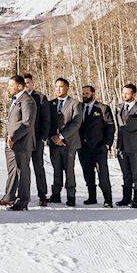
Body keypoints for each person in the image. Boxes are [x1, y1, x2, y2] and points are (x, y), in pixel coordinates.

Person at [1, 75, 36, 211]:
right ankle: (9, 197)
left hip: (22, 143)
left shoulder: (27, 101)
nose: (9, 88)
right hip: (11, 142)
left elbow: (27, 123)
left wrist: (13, 137)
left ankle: (23, 201)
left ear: (20, 87)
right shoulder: (16, 99)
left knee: (23, 172)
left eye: (11, 85)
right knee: (13, 171)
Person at [48, 78, 83, 207]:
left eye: (61, 87)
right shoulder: (50, 103)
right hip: (53, 142)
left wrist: (61, 137)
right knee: (56, 169)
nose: (58, 89)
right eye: (56, 87)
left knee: (69, 170)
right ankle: (56, 195)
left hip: (70, 143)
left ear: (67, 88)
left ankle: (71, 196)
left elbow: (76, 123)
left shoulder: (75, 104)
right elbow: (47, 123)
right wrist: (53, 137)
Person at [78, 86, 115, 207]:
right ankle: (92, 197)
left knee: (103, 174)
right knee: (88, 174)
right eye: (83, 93)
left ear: (93, 94)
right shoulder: (80, 107)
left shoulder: (103, 108)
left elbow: (110, 127)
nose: (84, 95)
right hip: (83, 148)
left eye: (87, 93)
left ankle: (108, 199)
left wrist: (107, 144)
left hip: (99, 147)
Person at [23, 73, 51, 207]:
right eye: (24, 82)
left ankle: (42, 195)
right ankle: (22, 195)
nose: (26, 85)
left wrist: (42, 137)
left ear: (33, 83)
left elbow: (46, 119)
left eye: (28, 82)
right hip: (22, 140)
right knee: (22, 168)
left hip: (37, 139)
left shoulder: (40, 98)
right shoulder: (18, 98)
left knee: (38, 166)